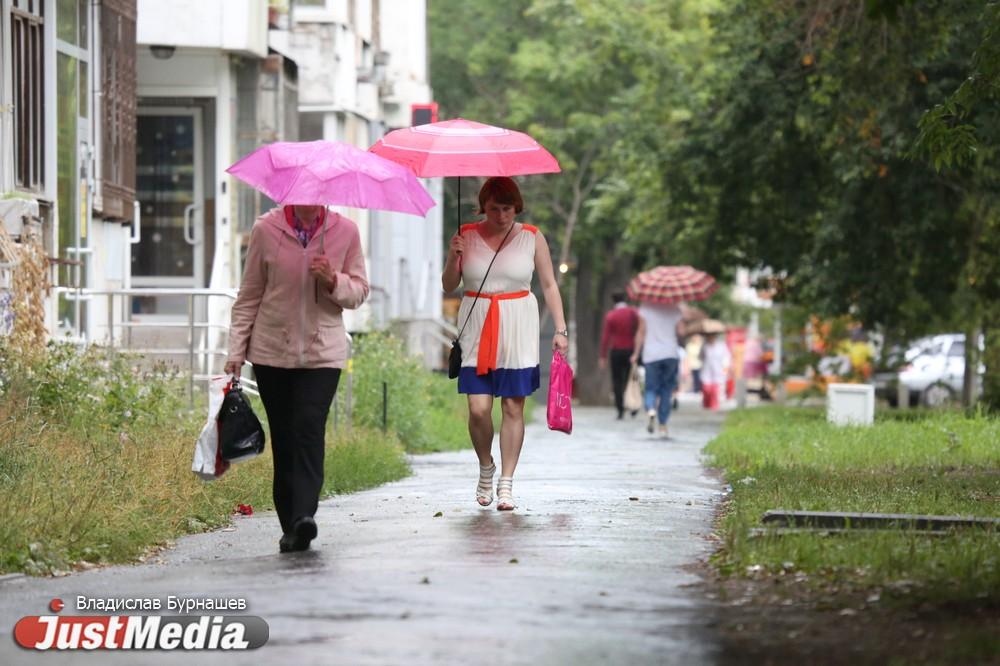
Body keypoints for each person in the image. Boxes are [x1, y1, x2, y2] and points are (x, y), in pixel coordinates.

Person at [224, 204, 369, 553]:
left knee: (308, 427)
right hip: (271, 351)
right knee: (285, 436)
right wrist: (235, 351)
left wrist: (333, 280)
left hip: (323, 353)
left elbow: (360, 291)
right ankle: (290, 524)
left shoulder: (345, 231)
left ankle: (304, 514)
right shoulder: (266, 230)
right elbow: (249, 295)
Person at [441, 177, 568, 511]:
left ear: (517, 207)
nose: (501, 215)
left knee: (513, 407)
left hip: (517, 326)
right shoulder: (466, 235)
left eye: (507, 209)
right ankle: (486, 466)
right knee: (478, 408)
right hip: (477, 325)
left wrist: (561, 329)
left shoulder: (532, 237)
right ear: (484, 207)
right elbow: (449, 285)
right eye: (494, 208)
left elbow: (549, 284)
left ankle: (507, 482)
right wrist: (452, 257)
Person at [630, 301, 683, 438]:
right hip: (670, 353)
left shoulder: (645, 307)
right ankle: (663, 424)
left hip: (651, 355)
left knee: (651, 388)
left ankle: (651, 409)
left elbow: (641, 332)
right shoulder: (675, 308)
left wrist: (636, 353)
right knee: (666, 390)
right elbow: (681, 331)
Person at [598, 291, 640, 419]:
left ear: (613, 300)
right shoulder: (633, 313)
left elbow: (605, 337)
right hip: (630, 350)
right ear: (625, 299)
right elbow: (639, 329)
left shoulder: (611, 316)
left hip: (616, 351)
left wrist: (603, 356)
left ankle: (620, 409)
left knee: (617, 380)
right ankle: (632, 404)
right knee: (630, 378)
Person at [700, 332, 731, 410]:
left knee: (715, 391)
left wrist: (725, 371)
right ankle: (707, 405)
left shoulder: (721, 346)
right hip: (707, 371)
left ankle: (714, 407)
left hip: (718, 372)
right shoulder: (705, 346)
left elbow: (726, 359)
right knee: (706, 389)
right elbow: (700, 357)